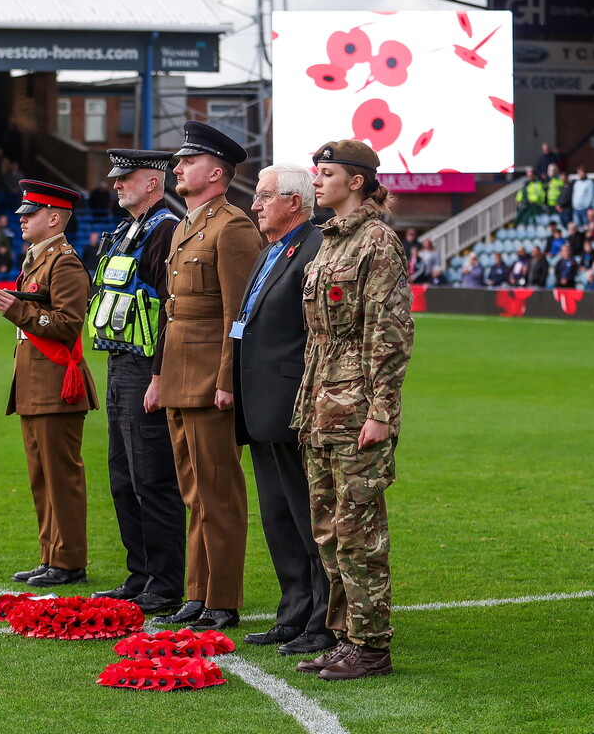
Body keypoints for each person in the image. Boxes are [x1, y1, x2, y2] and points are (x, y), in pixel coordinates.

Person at [293, 139, 414, 682]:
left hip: (358, 408)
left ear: (357, 181)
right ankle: (345, 638)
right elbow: (319, 338)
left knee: (358, 532)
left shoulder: (376, 243)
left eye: (326, 173)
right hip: (320, 406)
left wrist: (381, 412)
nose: (316, 181)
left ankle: (371, 644)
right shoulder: (329, 243)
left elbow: (387, 334)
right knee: (327, 530)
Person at [153, 121, 263, 631]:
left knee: (218, 493)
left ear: (215, 172)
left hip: (210, 384)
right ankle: (197, 594)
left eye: (187, 161)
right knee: (194, 493)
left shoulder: (234, 227)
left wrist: (228, 381)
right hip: (180, 379)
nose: (177, 168)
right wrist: (162, 378)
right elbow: (177, 313)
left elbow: (237, 316)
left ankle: (222, 597)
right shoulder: (186, 224)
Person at [233, 163, 333, 657]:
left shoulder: (314, 247)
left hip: (292, 404)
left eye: (264, 195)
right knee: (277, 514)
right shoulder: (273, 248)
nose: (255, 204)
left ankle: (321, 619)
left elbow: (315, 331)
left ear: (294, 202)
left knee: (306, 513)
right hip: (261, 404)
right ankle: (293, 611)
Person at [87, 149, 185, 615]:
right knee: (123, 478)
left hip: (145, 368)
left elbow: (171, 309)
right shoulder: (129, 230)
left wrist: (160, 375)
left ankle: (164, 583)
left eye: (125, 179)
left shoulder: (165, 230)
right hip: (119, 362)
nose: (116, 185)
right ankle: (140, 573)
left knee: (152, 478)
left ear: (152, 182)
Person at [0, 180, 99, 588]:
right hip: (37, 385)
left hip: (56, 385)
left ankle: (69, 560)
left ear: (54, 219)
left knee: (60, 477)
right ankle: (51, 555)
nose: (21, 219)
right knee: (41, 477)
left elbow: (70, 324)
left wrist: (18, 311)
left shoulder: (64, 262)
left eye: (29, 213)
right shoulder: (38, 260)